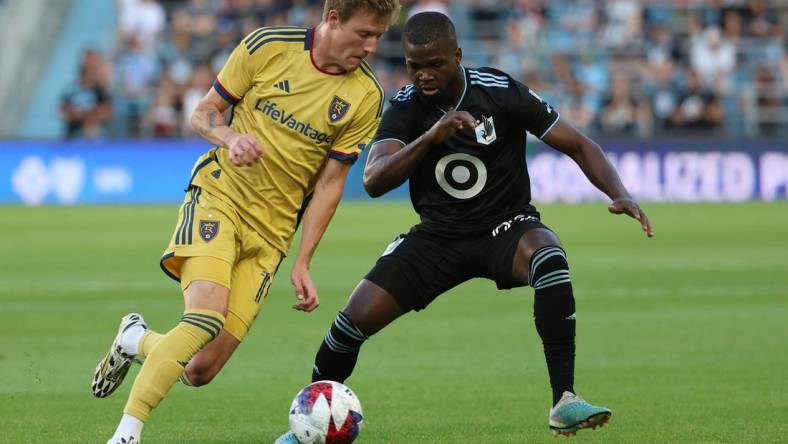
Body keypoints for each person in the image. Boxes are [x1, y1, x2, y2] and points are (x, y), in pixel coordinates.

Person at [277, 12, 653, 443]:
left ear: (457, 56)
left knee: (549, 257)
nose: (424, 75)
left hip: (505, 227)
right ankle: (305, 428)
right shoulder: (404, 107)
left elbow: (578, 144)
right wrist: (430, 138)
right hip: (437, 237)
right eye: (414, 66)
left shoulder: (498, 90)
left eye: (435, 64)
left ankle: (564, 400)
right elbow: (374, 179)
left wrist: (618, 192)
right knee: (350, 324)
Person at [90, 1, 401, 443]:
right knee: (204, 318)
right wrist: (230, 137)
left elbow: (331, 184)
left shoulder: (365, 96)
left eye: (378, 37)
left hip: (272, 234)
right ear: (334, 19)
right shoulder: (268, 47)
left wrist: (302, 260)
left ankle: (135, 339)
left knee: (199, 369)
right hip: (221, 197)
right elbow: (204, 113)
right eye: (365, 34)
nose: (371, 47)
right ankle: (126, 434)